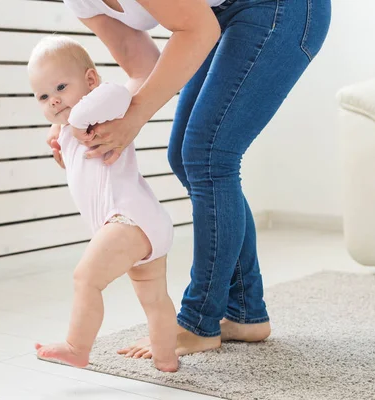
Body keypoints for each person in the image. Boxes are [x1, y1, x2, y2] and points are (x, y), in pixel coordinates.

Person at [46, 0, 332, 358]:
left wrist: (132, 118)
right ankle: (245, 312)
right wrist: (82, 128)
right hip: (222, 12)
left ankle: (200, 321)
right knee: (186, 155)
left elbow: (197, 30)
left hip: (281, 7)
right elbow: (143, 68)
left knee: (208, 155)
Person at [28, 35, 179, 372]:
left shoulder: (99, 109)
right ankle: (166, 358)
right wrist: (61, 147)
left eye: (61, 87)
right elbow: (83, 168)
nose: (53, 101)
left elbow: (120, 92)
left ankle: (76, 347)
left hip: (128, 217)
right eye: (43, 96)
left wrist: (74, 118)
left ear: (90, 80)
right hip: (138, 222)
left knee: (86, 279)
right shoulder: (69, 131)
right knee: (153, 299)